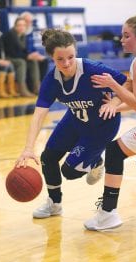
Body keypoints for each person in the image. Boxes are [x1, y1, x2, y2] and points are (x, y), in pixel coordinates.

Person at [16, 28, 127, 219]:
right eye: (60, 59)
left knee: (69, 171)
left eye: (70, 57)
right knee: (48, 157)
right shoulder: (51, 81)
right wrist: (28, 148)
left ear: (76, 52)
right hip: (76, 120)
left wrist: (115, 102)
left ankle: (96, 160)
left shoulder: (93, 69)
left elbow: (128, 83)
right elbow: (38, 115)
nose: (66, 63)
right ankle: (54, 204)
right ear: (52, 58)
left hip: (102, 126)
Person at [84, 15, 136, 231]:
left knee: (114, 151)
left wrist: (113, 84)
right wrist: (115, 105)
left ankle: (107, 214)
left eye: (126, 35)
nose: (122, 40)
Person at [3, 17, 39, 97]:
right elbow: (11, 53)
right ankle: (22, 89)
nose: (21, 27)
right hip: (7, 57)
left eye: (23, 25)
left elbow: (24, 51)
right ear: (15, 26)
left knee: (33, 61)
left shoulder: (23, 36)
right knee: (21, 62)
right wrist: (27, 56)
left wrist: (31, 55)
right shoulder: (10, 35)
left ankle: (37, 88)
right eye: (19, 25)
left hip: (17, 57)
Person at [20, 11, 49, 85]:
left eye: (30, 21)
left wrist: (35, 53)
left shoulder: (30, 31)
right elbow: (17, 49)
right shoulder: (18, 32)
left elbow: (32, 46)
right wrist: (28, 55)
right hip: (22, 56)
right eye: (26, 21)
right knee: (33, 62)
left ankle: (41, 83)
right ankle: (33, 86)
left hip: (30, 54)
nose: (28, 23)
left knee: (44, 60)